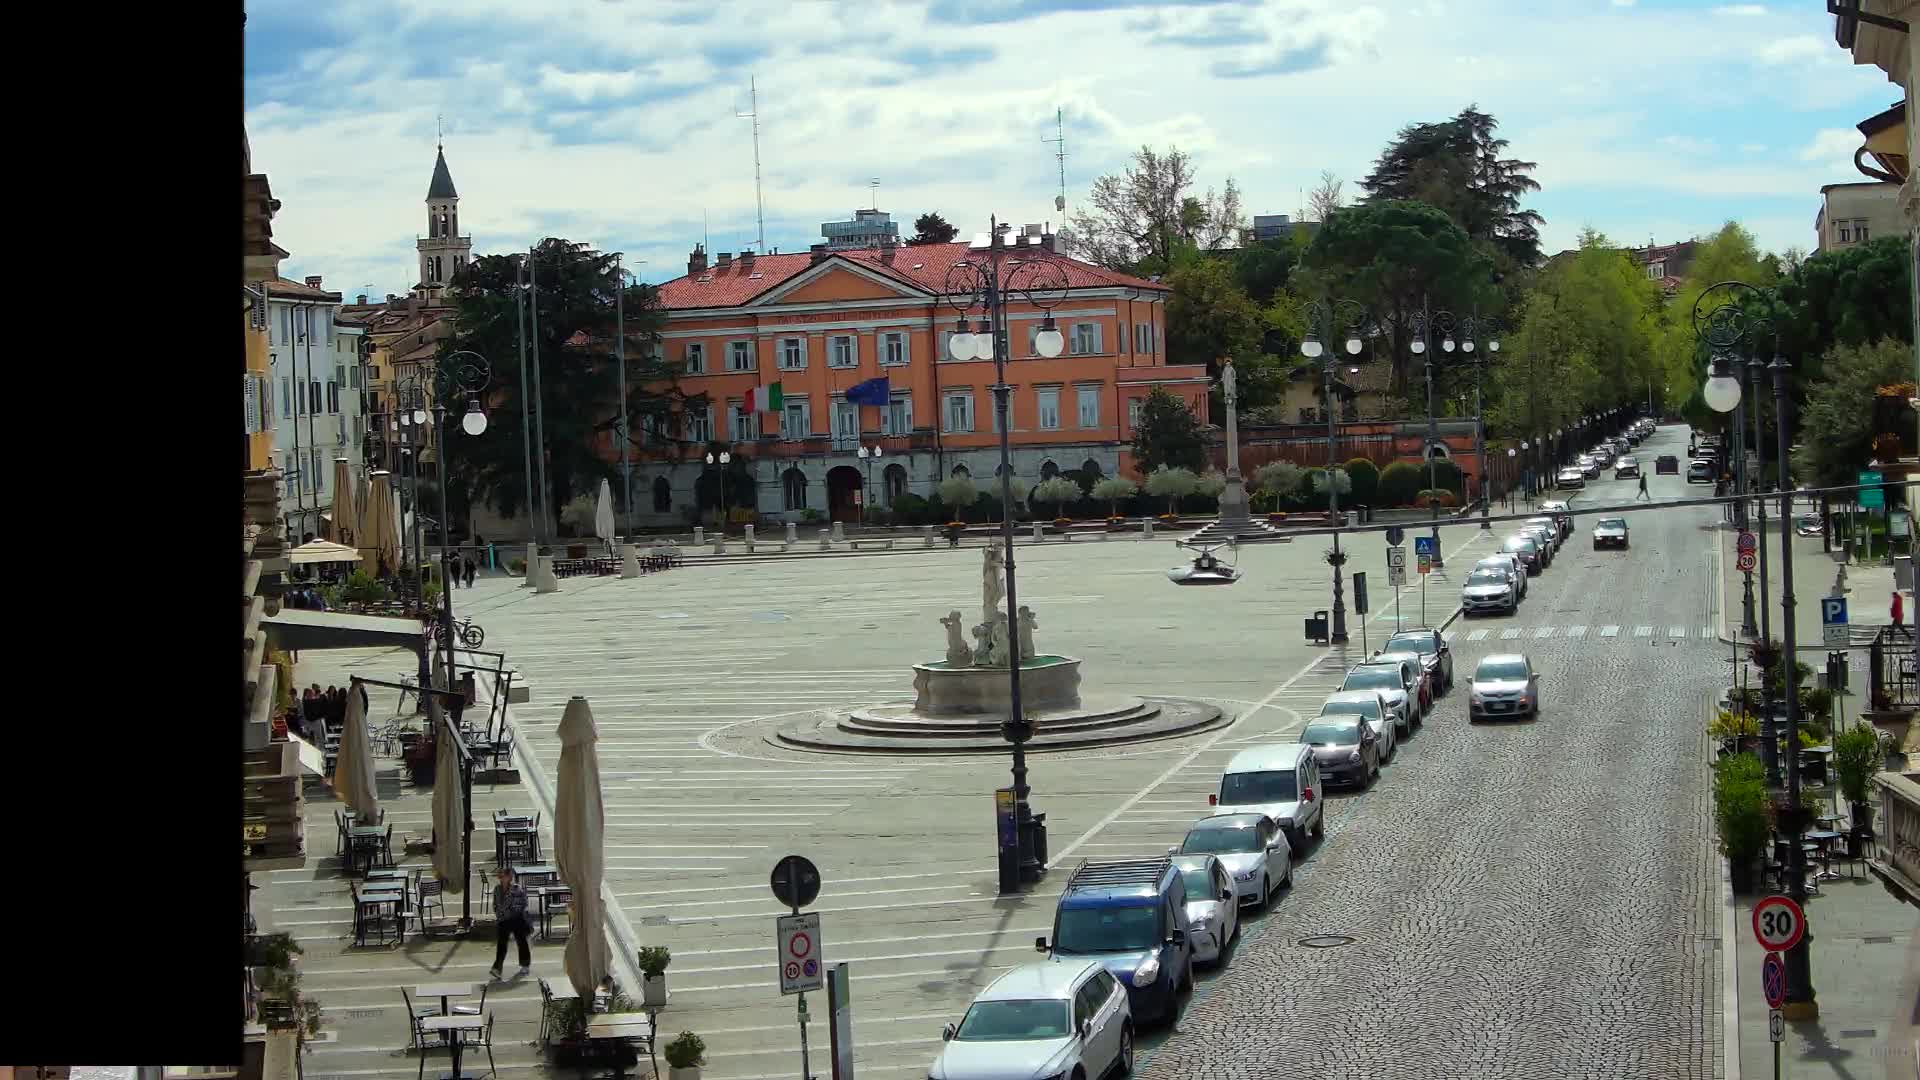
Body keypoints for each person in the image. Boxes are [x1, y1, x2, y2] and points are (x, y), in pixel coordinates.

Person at [489, 866, 532, 980]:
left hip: (516, 919)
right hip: (503, 920)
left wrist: (513, 912)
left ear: (509, 877)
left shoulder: (516, 889)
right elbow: (495, 904)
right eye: (500, 876)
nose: (500, 878)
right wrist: (499, 915)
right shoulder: (497, 889)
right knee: (501, 945)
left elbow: (523, 903)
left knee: (521, 941)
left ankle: (525, 964)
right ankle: (497, 968)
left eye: (503, 876)